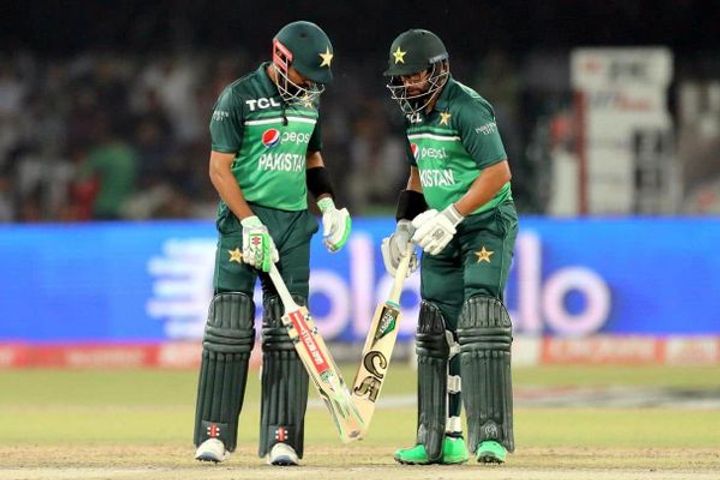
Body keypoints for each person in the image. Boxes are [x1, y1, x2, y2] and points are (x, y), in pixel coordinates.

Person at [193, 20, 351, 467]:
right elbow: (219, 169)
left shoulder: (309, 99)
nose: (311, 85)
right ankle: (214, 435)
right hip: (243, 224)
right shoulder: (238, 97)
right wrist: (249, 222)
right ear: (281, 60)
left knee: (288, 335)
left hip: (294, 225)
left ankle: (282, 439)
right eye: (305, 75)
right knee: (229, 325)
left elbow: (311, 156)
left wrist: (328, 204)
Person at [380, 29, 518, 465]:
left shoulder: (467, 107)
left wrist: (454, 214)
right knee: (436, 329)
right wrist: (404, 224)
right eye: (402, 77)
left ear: (439, 71)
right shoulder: (414, 116)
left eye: (415, 75)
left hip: (485, 224)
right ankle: (439, 438)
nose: (408, 84)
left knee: (481, 320)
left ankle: (491, 435)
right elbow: (418, 175)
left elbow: (498, 173)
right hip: (440, 227)